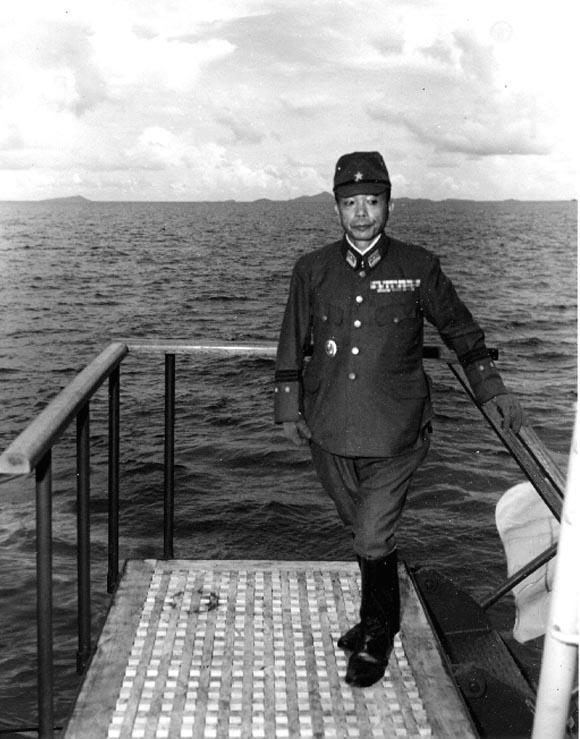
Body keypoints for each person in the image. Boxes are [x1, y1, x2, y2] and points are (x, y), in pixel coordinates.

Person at [274, 151, 524, 688]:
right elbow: (292, 341)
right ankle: (373, 616)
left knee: (370, 536)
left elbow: (461, 329)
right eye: (350, 203)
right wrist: (289, 408)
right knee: (363, 530)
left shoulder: (417, 266)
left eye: (372, 201)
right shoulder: (311, 269)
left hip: (396, 431)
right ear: (336, 208)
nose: (361, 213)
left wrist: (491, 389)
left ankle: (376, 636)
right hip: (330, 427)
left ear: (389, 204)